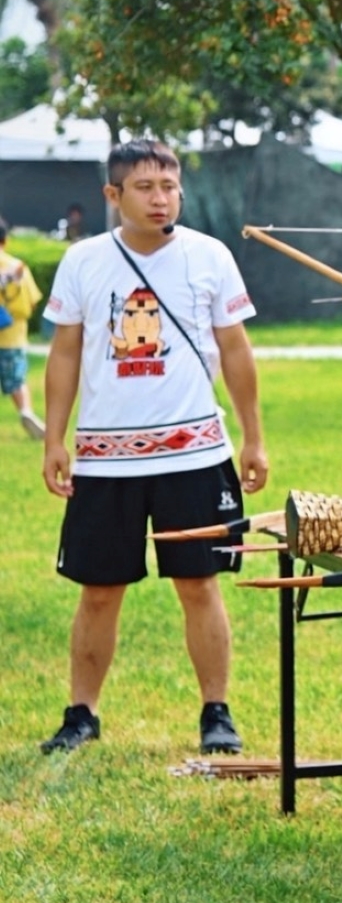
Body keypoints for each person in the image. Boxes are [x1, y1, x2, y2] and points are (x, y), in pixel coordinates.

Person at [39, 140, 268, 756]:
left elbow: (237, 350)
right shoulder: (84, 261)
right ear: (113, 196)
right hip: (105, 460)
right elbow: (64, 353)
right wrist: (55, 439)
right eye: (145, 187)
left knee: (200, 584)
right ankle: (81, 713)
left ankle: (216, 712)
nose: (161, 198)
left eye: (169, 186)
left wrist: (253, 437)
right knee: (99, 588)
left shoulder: (210, 256)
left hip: (195, 453)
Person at [0, 222, 46, 439]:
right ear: (5, 240)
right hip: (13, 337)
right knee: (17, 381)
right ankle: (26, 411)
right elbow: (33, 301)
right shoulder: (17, 266)